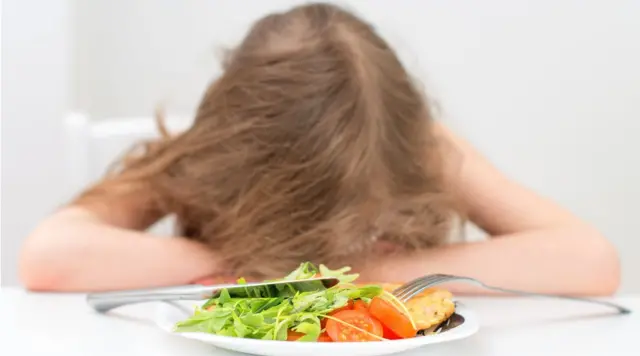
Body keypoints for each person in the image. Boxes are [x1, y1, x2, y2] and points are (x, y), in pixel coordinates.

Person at [19, 3, 619, 295]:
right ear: (235, 153)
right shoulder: (204, 153)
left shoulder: (423, 150)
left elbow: (589, 261)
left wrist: (372, 274)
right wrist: (268, 279)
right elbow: (51, 257)